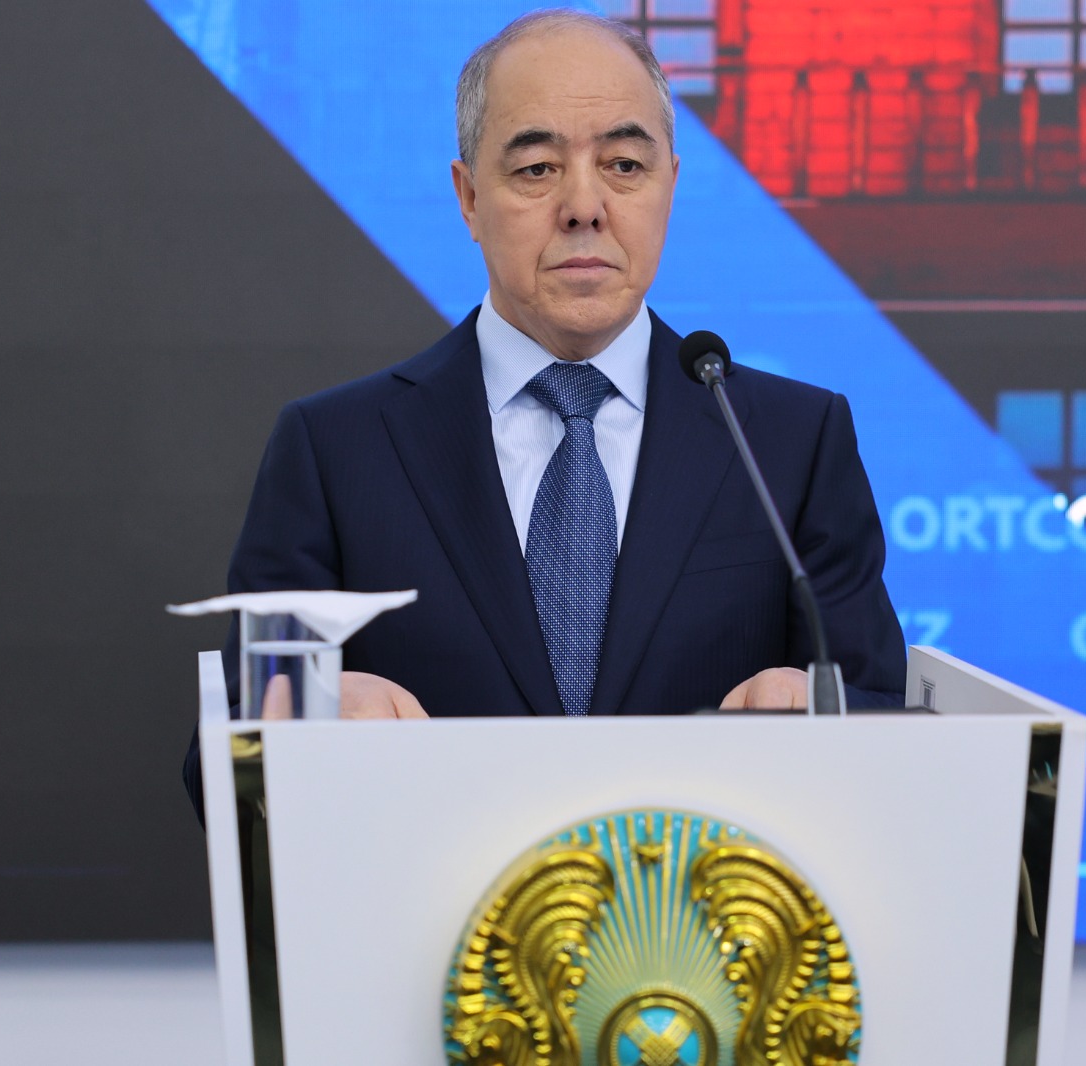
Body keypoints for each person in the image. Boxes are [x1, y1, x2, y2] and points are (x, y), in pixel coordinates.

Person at [184, 10, 903, 815]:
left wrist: (825, 711)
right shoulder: (334, 449)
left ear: (670, 184)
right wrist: (301, 721)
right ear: (468, 197)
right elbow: (218, 769)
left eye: (624, 164)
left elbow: (891, 724)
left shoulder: (792, 444)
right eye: (536, 169)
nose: (584, 206)